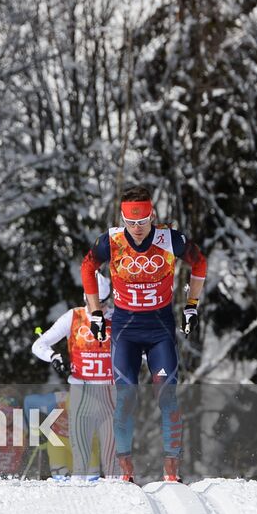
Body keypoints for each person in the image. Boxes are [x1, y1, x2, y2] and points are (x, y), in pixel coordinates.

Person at [81, 184, 207, 483]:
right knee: (125, 397)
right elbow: (87, 267)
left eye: (142, 221)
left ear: (152, 216)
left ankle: (172, 472)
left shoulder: (169, 239)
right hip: (125, 329)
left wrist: (192, 305)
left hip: (160, 328)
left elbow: (199, 262)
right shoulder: (110, 241)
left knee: (167, 396)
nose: (137, 229)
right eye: (131, 223)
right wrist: (96, 311)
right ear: (122, 220)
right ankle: (125, 471)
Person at [31, 272, 119, 479]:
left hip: (109, 390)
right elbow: (39, 344)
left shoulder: (118, 318)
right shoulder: (74, 316)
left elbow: (140, 350)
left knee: (110, 445)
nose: (98, 309)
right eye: (92, 302)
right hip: (81, 388)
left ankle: (116, 486)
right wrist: (53, 356)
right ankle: (79, 487)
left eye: (103, 303)